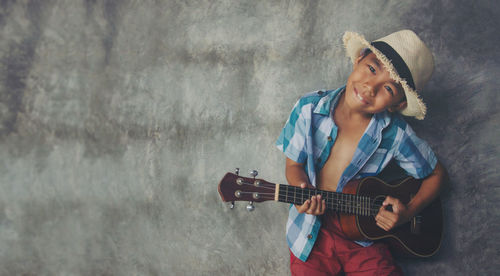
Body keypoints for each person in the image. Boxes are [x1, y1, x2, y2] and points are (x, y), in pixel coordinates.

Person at [276, 30, 447, 275]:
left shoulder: (395, 133)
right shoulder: (309, 108)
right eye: (372, 69)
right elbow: (293, 166)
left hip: (363, 235)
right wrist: (303, 192)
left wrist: (408, 211)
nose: (370, 87)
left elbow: (437, 175)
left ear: (398, 103)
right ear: (359, 59)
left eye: (388, 88)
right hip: (309, 233)